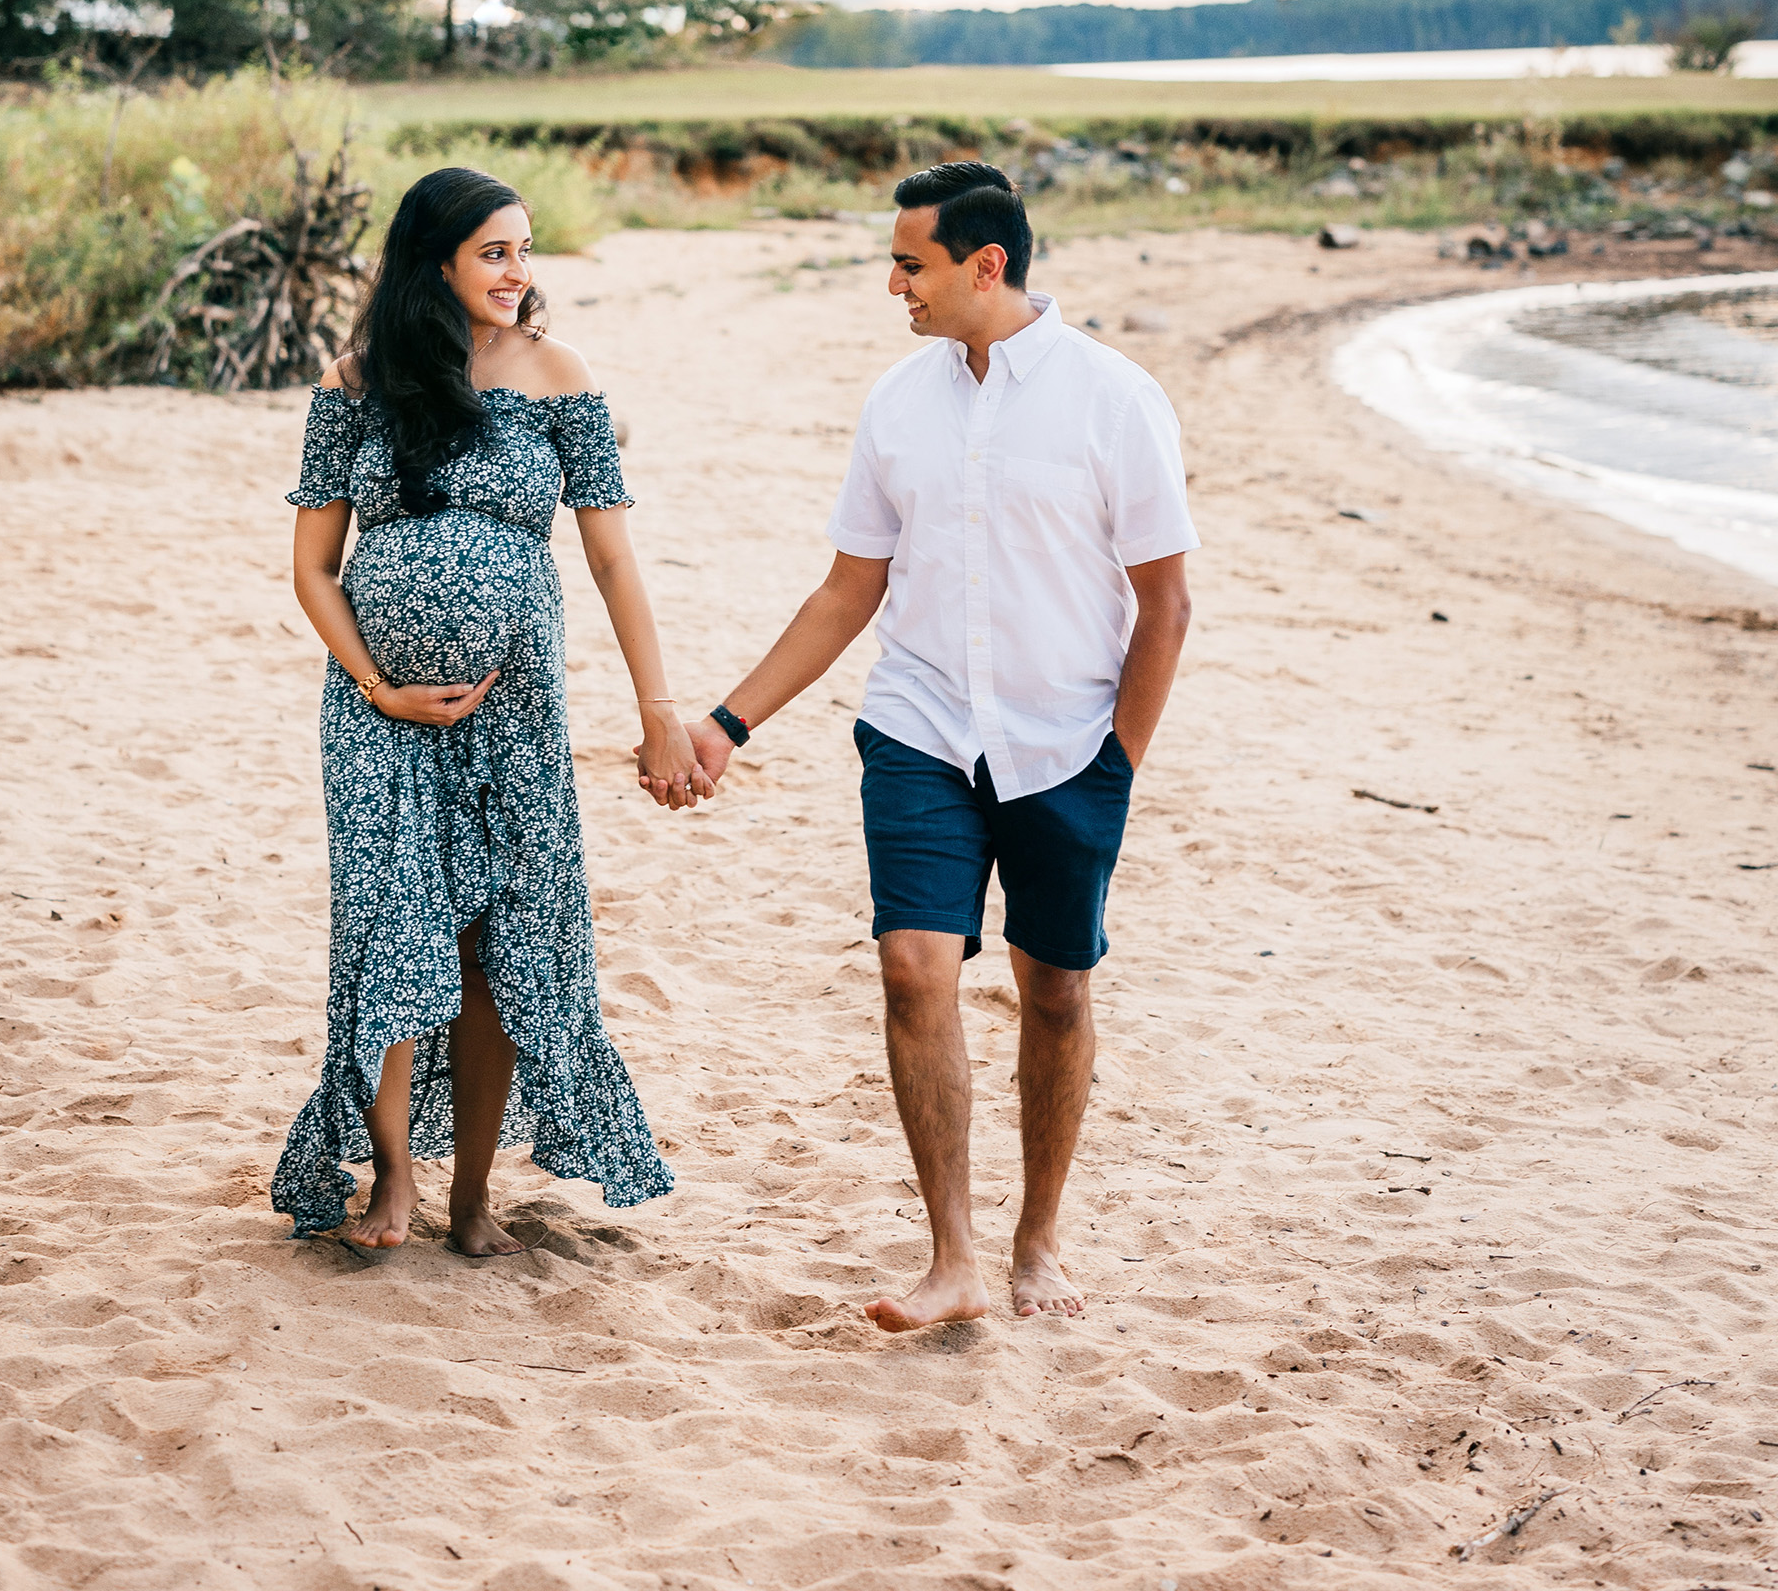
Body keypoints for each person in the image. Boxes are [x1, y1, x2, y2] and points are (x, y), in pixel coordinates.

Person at [688, 159, 1195, 1329]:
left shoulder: (1115, 399)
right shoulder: (896, 403)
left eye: (908, 263)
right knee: (914, 969)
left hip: (1068, 743)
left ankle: (1036, 1242)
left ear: (985, 265)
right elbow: (846, 588)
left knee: (1055, 992)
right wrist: (728, 722)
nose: (891, 284)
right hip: (917, 729)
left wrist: (1117, 759)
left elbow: (1163, 603)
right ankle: (952, 1258)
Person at [273, 165, 711, 1253]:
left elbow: (612, 562)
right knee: (386, 932)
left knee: (489, 945)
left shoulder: (559, 376)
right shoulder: (354, 382)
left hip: (512, 715)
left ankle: (470, 1198)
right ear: (436, 264)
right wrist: (378, 685)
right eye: (494, 253)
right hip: (375, 713)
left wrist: (657, 709)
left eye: (524, 250)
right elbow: (314, 568)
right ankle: (391, 1186)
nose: (519, 273)